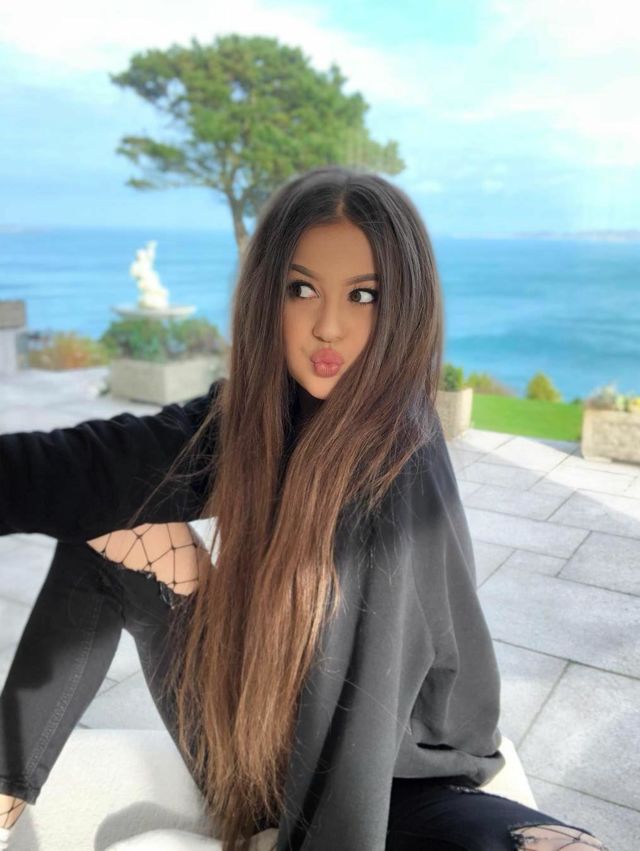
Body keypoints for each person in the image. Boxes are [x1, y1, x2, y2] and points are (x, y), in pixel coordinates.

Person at [0, 166, 609, 851]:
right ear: (271, 297)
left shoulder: (395, 454)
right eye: (302, 289)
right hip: (263, 742)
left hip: (405, 786)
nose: (327, 326)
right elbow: (90, 467)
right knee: (105, 516)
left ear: (403, 306)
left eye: (363, 295)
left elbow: (365, 719)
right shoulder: (260, 415)